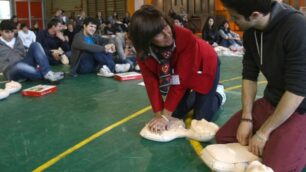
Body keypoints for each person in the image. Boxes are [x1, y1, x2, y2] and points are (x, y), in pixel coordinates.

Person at [215, 0, 306, 171]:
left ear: (255, 15)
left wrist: (264, 133)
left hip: (300, 107)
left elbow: (297, 90)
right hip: (272, 100)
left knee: (276, 166)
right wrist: (246, 118)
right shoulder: (251, 32)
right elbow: (249, 75)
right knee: (224, 136)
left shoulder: (297, 28)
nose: (232, 21)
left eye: (235, 17)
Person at [129, 6, 226, 134]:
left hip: (203, 64)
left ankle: (219, 94)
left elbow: (181, 80)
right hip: (180, 74)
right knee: (176, 114)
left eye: (165, 26)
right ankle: (196, 96)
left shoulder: (185, 36)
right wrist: (159, 115)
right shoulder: (143, 52)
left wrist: (164, 116)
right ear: (146, 39)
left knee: (200, 120)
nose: (167, 34)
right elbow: (151, 83)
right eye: (158, 33)